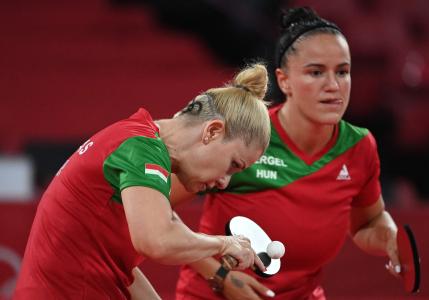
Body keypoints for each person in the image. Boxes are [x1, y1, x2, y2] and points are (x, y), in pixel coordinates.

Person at [172, 7, 401, 300]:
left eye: (342, 72)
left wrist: (390, 238)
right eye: (316, 72)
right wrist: (221, 275)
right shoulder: (246, 133)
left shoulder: (359, 146)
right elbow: (159, 210)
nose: (333, 86)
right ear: (284, 81)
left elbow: (368, 222)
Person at [13, 63, 271, 300]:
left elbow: (121, 269)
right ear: (212, 131)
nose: (225, 181)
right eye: (233, 165)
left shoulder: (138, 143)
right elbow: (158, 241)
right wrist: (224, 243)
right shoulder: (141, 148)